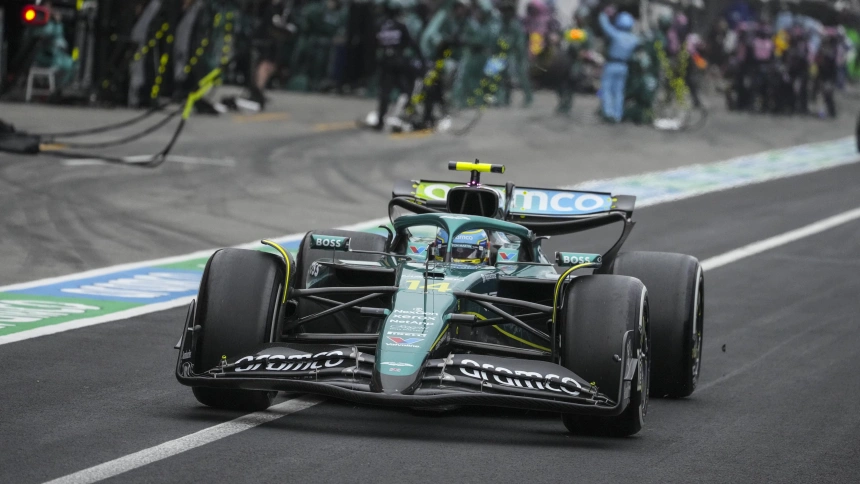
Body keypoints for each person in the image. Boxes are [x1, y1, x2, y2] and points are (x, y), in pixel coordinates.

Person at [374, 0, 426, 130]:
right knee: (406, 91)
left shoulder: (380, 25)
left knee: (385, 93)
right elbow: (412, 43)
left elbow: (375, 45)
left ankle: (381, 121)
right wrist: (423, 60)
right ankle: (411, 119)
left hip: (386, 63)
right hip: (399, 63)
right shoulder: (400, 26)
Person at [597, 6, 639, 123]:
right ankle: (618, 115)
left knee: (607, 89)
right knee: (619, 91)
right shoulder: (633, 39)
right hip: (624, 66)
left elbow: (605, 26)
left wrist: (604, 14)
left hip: (612, 64)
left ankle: (608, 113)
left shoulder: (616, 35)